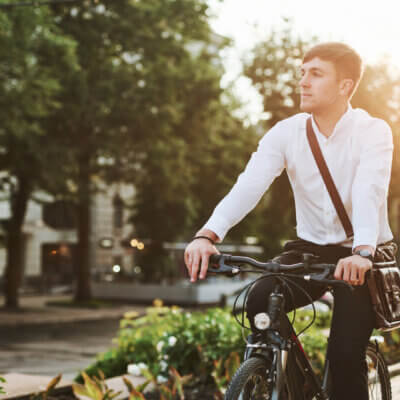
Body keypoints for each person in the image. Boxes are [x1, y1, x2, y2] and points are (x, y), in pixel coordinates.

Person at [184, 42, 396, 400]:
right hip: (310, 249)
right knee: (258, 301)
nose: (303, 82)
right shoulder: (287, 133)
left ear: (345, 86)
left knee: (345, 361)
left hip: (362, 253)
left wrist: (361, 251)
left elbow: (369, 191)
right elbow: (249, 185)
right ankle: (291, 380)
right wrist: (207, 233)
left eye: (315, 74)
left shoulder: (373, 131)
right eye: (302, 73)